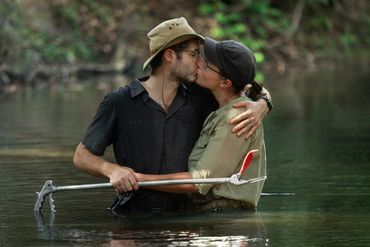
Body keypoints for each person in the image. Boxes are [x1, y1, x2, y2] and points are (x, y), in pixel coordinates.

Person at [73, 17, 272, 212]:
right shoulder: (119, 102)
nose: (200, 62)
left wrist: (263, 105)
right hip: (135, 216)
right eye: (194, 54)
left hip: (190, 219)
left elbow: (246, 88)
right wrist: (112, 170)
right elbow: (82, 156)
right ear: (170, 56)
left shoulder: (203, 94)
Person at [134, 37, 266, 211]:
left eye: (205, 64)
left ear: (225, 83)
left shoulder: (237, 118)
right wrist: (265, 102)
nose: (197, 63)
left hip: (224, 222)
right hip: (211, 214)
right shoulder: (220, 103)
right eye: (201, 57)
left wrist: (138, 179)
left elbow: (201, 180)